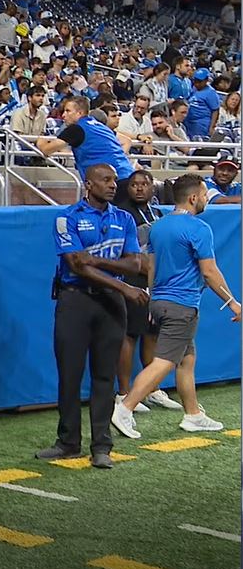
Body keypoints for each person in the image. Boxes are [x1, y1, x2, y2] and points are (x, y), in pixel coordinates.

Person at [112, 174, 239, 438]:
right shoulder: (199, 228)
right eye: (203, 195)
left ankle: (193, 415)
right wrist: (233, 303)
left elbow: (151, 266)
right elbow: (209, 272)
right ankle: (125, 408)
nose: (205, 200)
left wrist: (152, 300)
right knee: (165, 362)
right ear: (193, 198)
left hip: (160, 302)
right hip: (182, 306)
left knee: (186, 359)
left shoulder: (158, 226)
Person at [38, 164, 146, 469]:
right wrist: (123, 287)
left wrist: (95, 260)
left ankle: (102, 446)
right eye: (105, 180)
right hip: (75, 301)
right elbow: (75, 264)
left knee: (105, 376)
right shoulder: (67, 217)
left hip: (110, 305)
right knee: (70, 375)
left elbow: (135, 264)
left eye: (114, 180)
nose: (113, 185)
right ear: (88, 184)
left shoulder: (124, 218)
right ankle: (68, 442)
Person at [114, 170, 172, 411]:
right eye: (134, 184)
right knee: (130, 335)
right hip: (133, 281)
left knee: (152, 333)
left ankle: (152, 389)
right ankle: (123, 393)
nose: (139, 188)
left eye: (144, 184)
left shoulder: (156, 212)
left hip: (156, 282)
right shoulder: (122, 213)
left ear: (152, 187)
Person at [37, 96, 135, 198]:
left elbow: (46, 150)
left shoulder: (76, 129)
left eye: (68, 111)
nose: (63, 115)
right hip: (129, 176)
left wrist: (40, 141)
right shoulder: (101, 126)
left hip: (111, 182)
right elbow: (126, 140)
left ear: (79, 113)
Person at [184, 68, 219, 139]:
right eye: (195, 81)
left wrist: (211, 127)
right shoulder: (194, 88)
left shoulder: (210, 92)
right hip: (189, 123)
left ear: (206, 80)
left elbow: (215, 110)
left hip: (202, 124)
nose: (197, 83)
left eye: (199, 81)